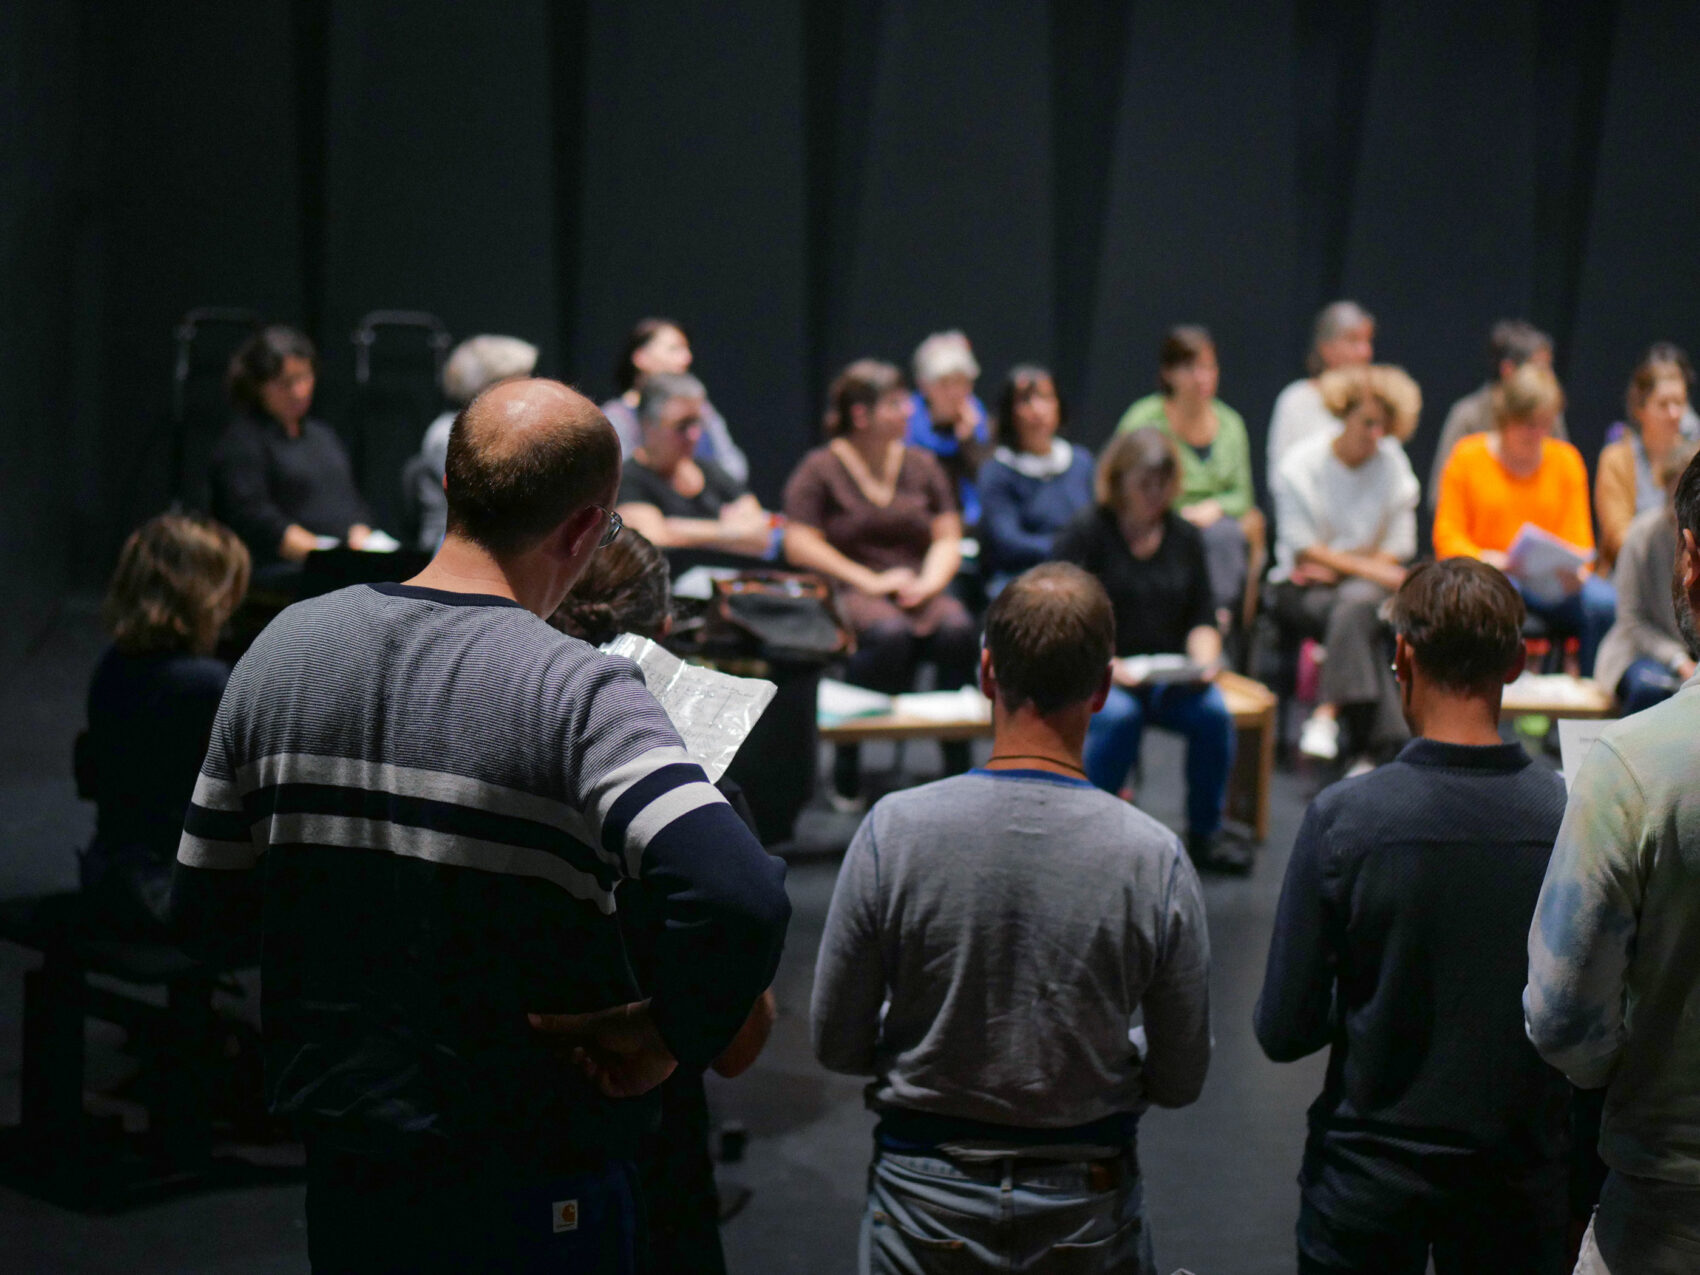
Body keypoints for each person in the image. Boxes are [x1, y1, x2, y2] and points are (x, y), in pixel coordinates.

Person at [170, 378, 791, 1273]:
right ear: (583, 531)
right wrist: (663, 1036)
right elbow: (740, 898)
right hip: (532, 1179)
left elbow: (208, 916)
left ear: (454, 491)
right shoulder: (579, 694)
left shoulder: (282, 648)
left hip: (349, 1166)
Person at [812, 562, 1211, 1275]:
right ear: (1104, 687)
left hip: (920, 1196)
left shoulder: (891, 831)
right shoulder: (1155, 857)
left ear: (988, 672)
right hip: (1088, 1198)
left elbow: (837, 1042)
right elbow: (1181, 1078)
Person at [1257, 558, 1572, 1274]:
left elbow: (1282, 1029)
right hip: (1518, 1187)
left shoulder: (1344, 819)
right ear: (1519, 662)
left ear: (1401, 654)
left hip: (1366, 1185)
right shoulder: (1568, 816)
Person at [550, 529, 778, 1275]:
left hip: (488, 1122)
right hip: (652, 1136)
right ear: (668, 630)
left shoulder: (490, 739)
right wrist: (662, 1029)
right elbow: (740, 1045)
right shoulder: (701, 795)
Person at [1525, 447, 1700, 1273]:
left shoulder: (1632, 765)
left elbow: (1564, 1017)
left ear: (1690, 559)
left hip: (1666, 1202)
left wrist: (1613, 1061)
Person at [782, 359, 978, 804]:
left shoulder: (922, 464)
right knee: (888, 634)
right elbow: (799, 543)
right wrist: (866, 579)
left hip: (915, 585)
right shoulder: (821, 467)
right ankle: (849, 756)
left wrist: (930, 582)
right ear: (861, 414)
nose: (909, 411)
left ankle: (957, 758)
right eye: (895, 403)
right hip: (851, 587)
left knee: (956, 628)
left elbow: (949, 536)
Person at [1052, 427, 1242, 871]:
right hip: (1102, 669)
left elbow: (1202, 616)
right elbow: (1063, 614)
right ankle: (1088, 834)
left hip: (1167, 675)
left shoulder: (1183, 537)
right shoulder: (1088, 533)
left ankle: (1206, 832)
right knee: (1119, 717)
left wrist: (1205, 659)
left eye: (1163, 483)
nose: (1155, 494)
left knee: (1214, 714)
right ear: (1119, 481)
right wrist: (1107, 665)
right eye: (1145, 483)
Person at [79, 514, 249, 938]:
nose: (230, 612)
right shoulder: (204, 684)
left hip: (108, 872)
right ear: (200, 595)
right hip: (165, 892)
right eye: (227, 596)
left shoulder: (114, 665)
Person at [1271, 364, 1422, 767]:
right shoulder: (1302, 463)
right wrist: (1365, 567)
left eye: (1383, 426)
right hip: (1301, 587)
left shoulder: (1393, 465)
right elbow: (1301, 550)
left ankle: (1328, 715)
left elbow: (1398, 547)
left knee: (1354, 606)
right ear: (1344, 414)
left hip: (1355, 589)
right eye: (1367, 422)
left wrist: (1339, 565)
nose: (1375, 435)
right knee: (1357, 612)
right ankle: (1380, 750)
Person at [1433, 361, 1616, 676]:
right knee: (1497, 594)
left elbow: (1579, 540)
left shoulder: (1566, 461)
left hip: (1551, 582)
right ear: (1506, 418)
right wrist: (1483, 558)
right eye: (1528, 424)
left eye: (1544, 424)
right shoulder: (1468, 456)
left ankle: (1589, 700)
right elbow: (1447, 535)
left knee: (1604, 603)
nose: (1537, 433)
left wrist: (1578, 571)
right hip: (1494, 576)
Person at [1117, 325, 1265, 625]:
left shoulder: (1230, 424)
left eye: (1209, 367)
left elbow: (1242, 494)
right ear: (1169, 373)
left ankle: (1217, 622)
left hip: (1213, 523)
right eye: (1192, 368)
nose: (1203, 377)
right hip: (1158, 514)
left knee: (1225, 534)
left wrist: (1216, 507)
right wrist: (1169, 509)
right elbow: (1120, 481)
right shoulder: (1144, 418)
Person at [209, 324, 375, 568]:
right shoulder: (243, 442)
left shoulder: (322, 436)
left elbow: (350, 501)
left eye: (304, 378)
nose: (298, 392)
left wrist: (361, 534)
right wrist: (322, 555)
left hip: (337, 560)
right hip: (282, 569)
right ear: (258, 385)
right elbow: (255, 519)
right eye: (285, 383)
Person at [615, 372, 778, 558]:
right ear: (648, 426)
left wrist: (676, 528)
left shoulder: (710, 471)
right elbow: (652, 539)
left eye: (697, 423)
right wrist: (730, 531)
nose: (694, 435)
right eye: (682, 425)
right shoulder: (629, 478)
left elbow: (762, 536)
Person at [1593, 438, 1700, 716]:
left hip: (1693, 655)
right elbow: (1631, 620)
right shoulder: (1641, 537)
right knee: (1651, 689)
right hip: (1640, 651)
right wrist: (1677, 659)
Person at [975, 364, 1093, 596]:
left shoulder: (1081, 462)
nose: (1038, 410)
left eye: (1046, 398)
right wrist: (1066, 549)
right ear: (1010, 411)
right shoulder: (997, 471)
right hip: (1019, 577)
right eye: (1026, 401)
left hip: (1078, 575)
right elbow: (1007, 542)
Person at [1426, 319, 1569, 510]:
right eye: (1540, 369)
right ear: (1508, 370)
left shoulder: (1550, 417)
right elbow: (1441, 498)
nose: (1550, 377)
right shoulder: (1468, 416)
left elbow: (1564, 488)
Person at [414, 334, 539, 550]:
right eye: (521, 379)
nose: (533, 387)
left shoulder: (512, 428)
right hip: (455, 547)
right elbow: (492, 504)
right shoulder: (449, 433)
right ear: (488, 385)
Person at [602, 317, 748, 485]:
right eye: (674, 349)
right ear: (640, 357)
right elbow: (617, 477)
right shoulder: (616, 417)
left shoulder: (703, 410)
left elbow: (734, 466)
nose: (686, 358)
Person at [1594, 342, 1695, 572]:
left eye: (1679, 403)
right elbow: (1618, 536)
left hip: (1687, 572)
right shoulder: (1616, 459)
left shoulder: (1695, 457)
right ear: (1640, 408)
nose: (1674, 414)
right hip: (1631, 570)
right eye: (1663, 404)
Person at [1267, 300, 1376, 477]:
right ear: (1326, 348)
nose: (1365, 352)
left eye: (1368, 341)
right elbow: (1280, 477)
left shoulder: (1375, 404)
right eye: (1353, 340)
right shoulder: (1296, 400)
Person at [904, 330, 992, 527]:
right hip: (921, 520)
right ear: (924, 385)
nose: (956, 392)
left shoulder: (976, 415)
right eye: (945, 383)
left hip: (970, 523)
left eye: (962, 382)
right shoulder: (906, 418)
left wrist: (969, 443)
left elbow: (987, 482)